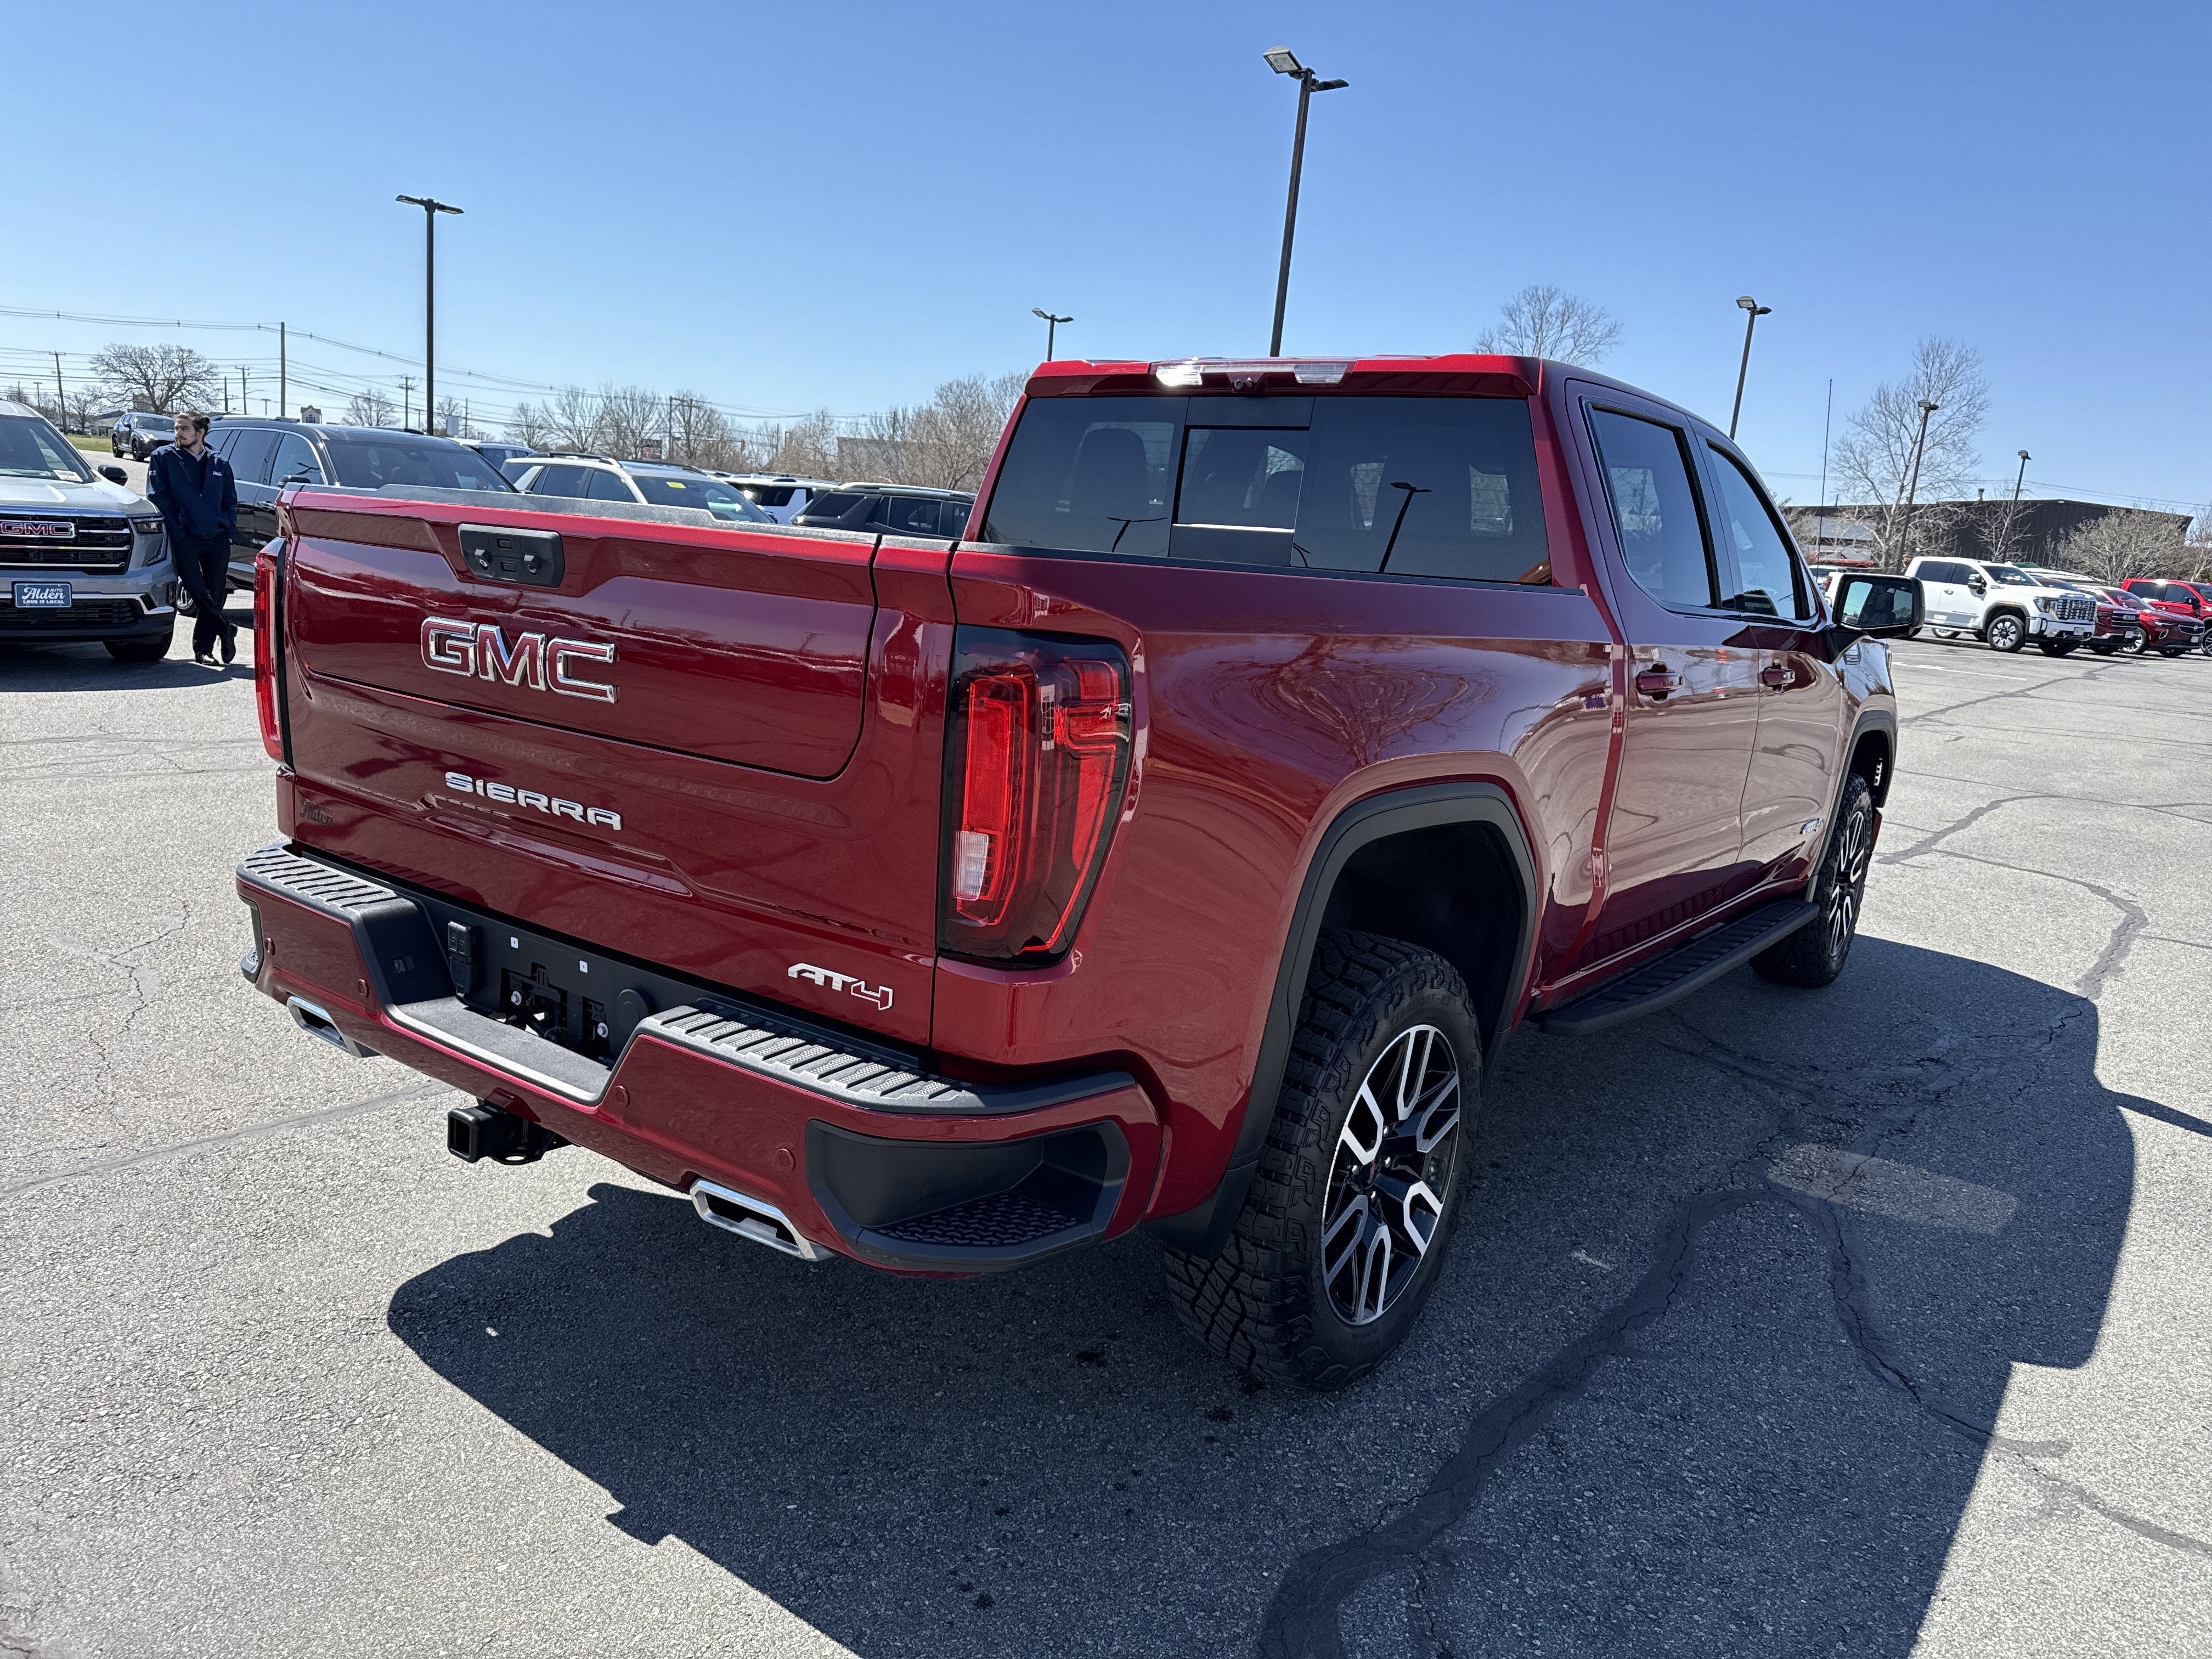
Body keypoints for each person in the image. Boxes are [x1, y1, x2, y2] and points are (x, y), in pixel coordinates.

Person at [145, 411, 238, 665]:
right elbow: (158, 497)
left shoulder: (219, 463)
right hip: (185, 536)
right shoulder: (163, 458)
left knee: (216, 591)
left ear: (201, 432)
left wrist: (229, 530)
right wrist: (178, 532)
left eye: (184, 429)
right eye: (177, 429)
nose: (178, 434)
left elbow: (230, 500)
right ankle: (225, 627)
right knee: (196, 590)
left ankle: (204, 650)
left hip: (217, 537)